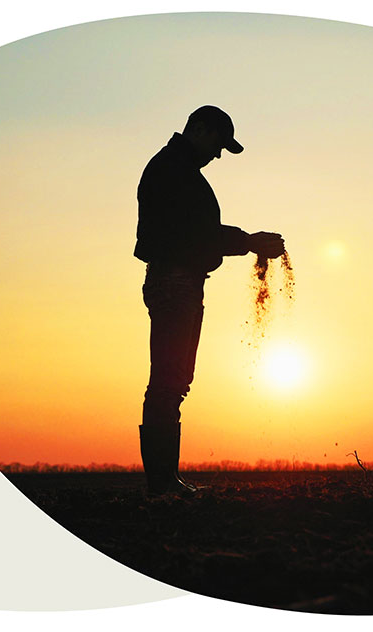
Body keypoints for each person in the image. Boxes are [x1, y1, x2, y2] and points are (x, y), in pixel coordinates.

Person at [134, 105, 284, 495]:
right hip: (175, 281)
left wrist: (245, 242)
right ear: (199, 130)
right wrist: (248, 242)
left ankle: (165, 481)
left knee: (175, 381)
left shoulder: (179, 171)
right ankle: (163, 484)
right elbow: (195, 234)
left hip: (182, 281)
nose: (218, 155)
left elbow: (199, 232)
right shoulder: (172, 172)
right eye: (218, 144)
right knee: (168, 383)